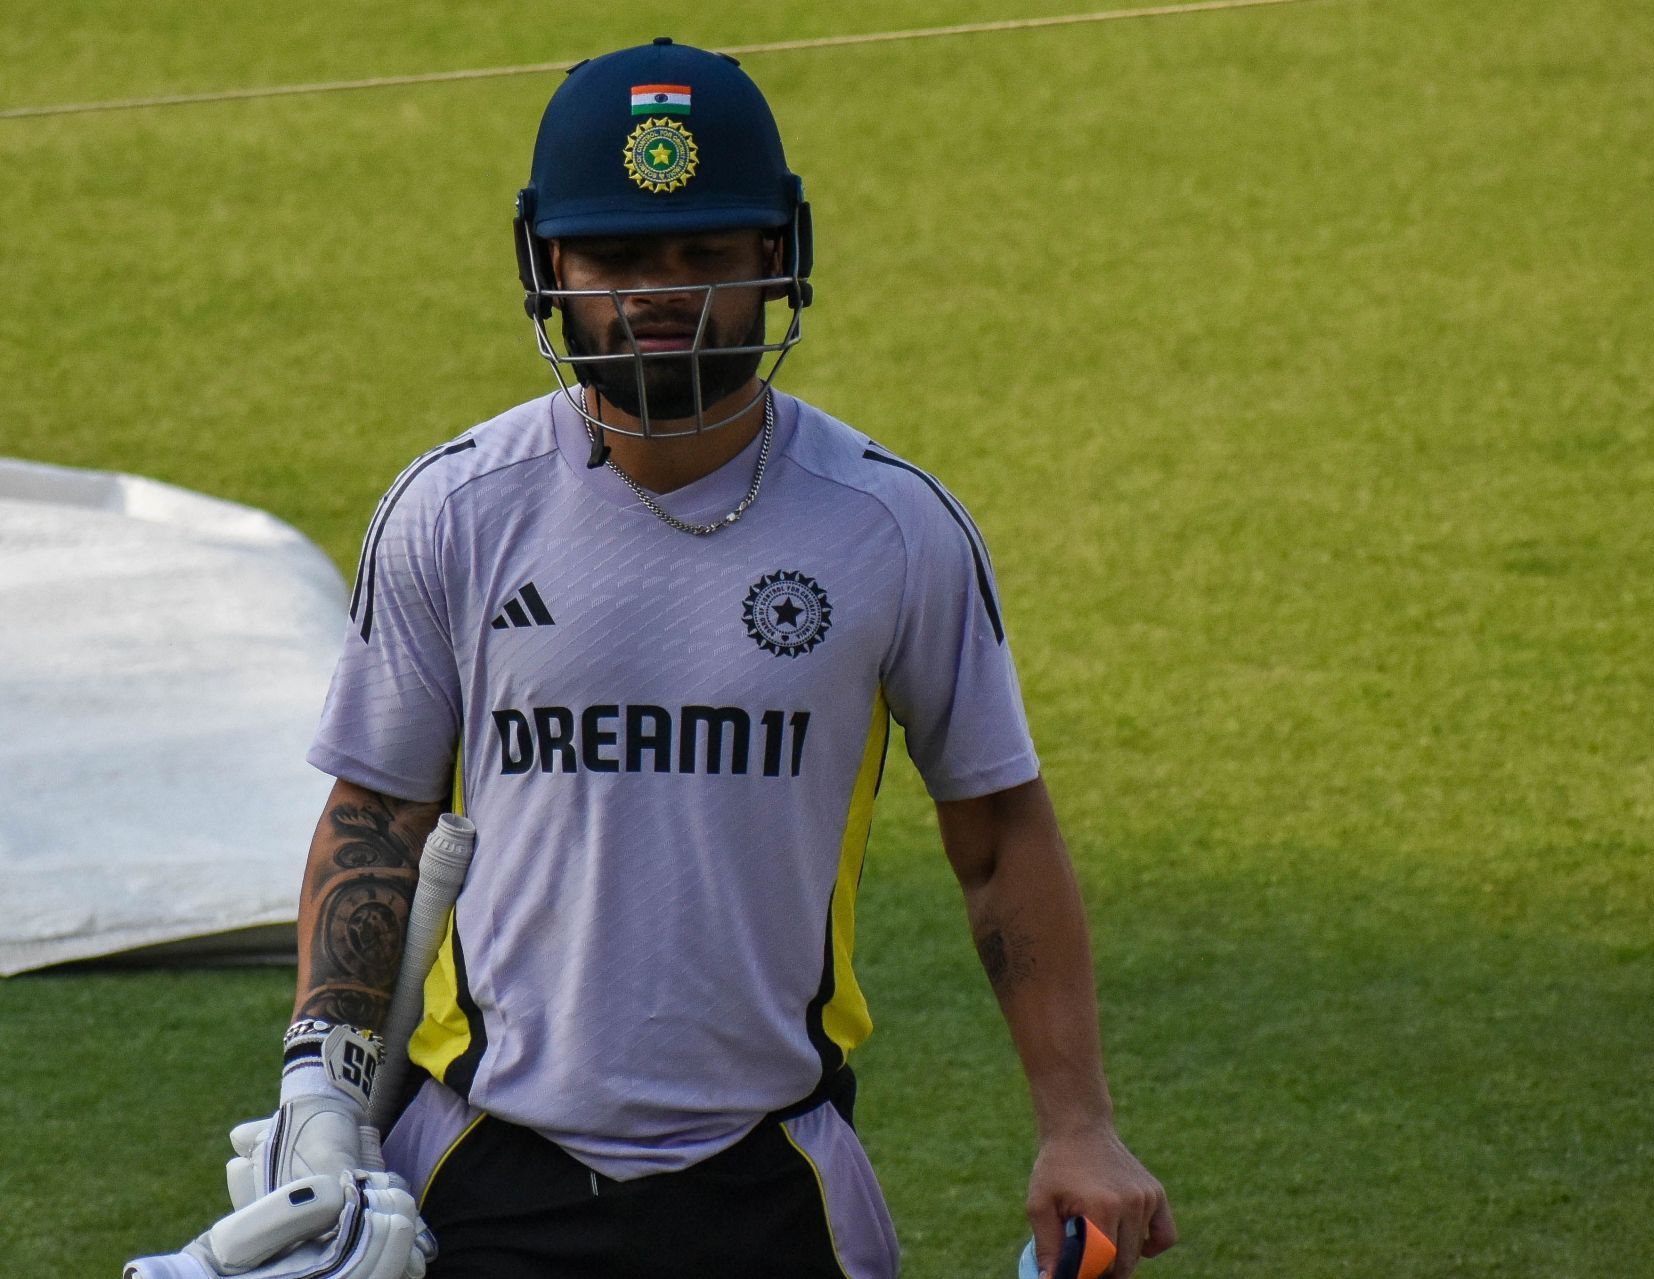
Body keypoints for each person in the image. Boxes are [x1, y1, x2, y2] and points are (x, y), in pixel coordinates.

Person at [290, 37, 1175, 1278]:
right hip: (481, 1170)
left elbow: (998, 835)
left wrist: (1078, 1124)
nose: (664, 296)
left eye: (706, 254)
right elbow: (378, 814)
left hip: (776, 1179)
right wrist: (321, 1095)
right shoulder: (457, 512)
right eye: (621, 257)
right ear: (550, 264)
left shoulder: (890, 526)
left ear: (776, 257)